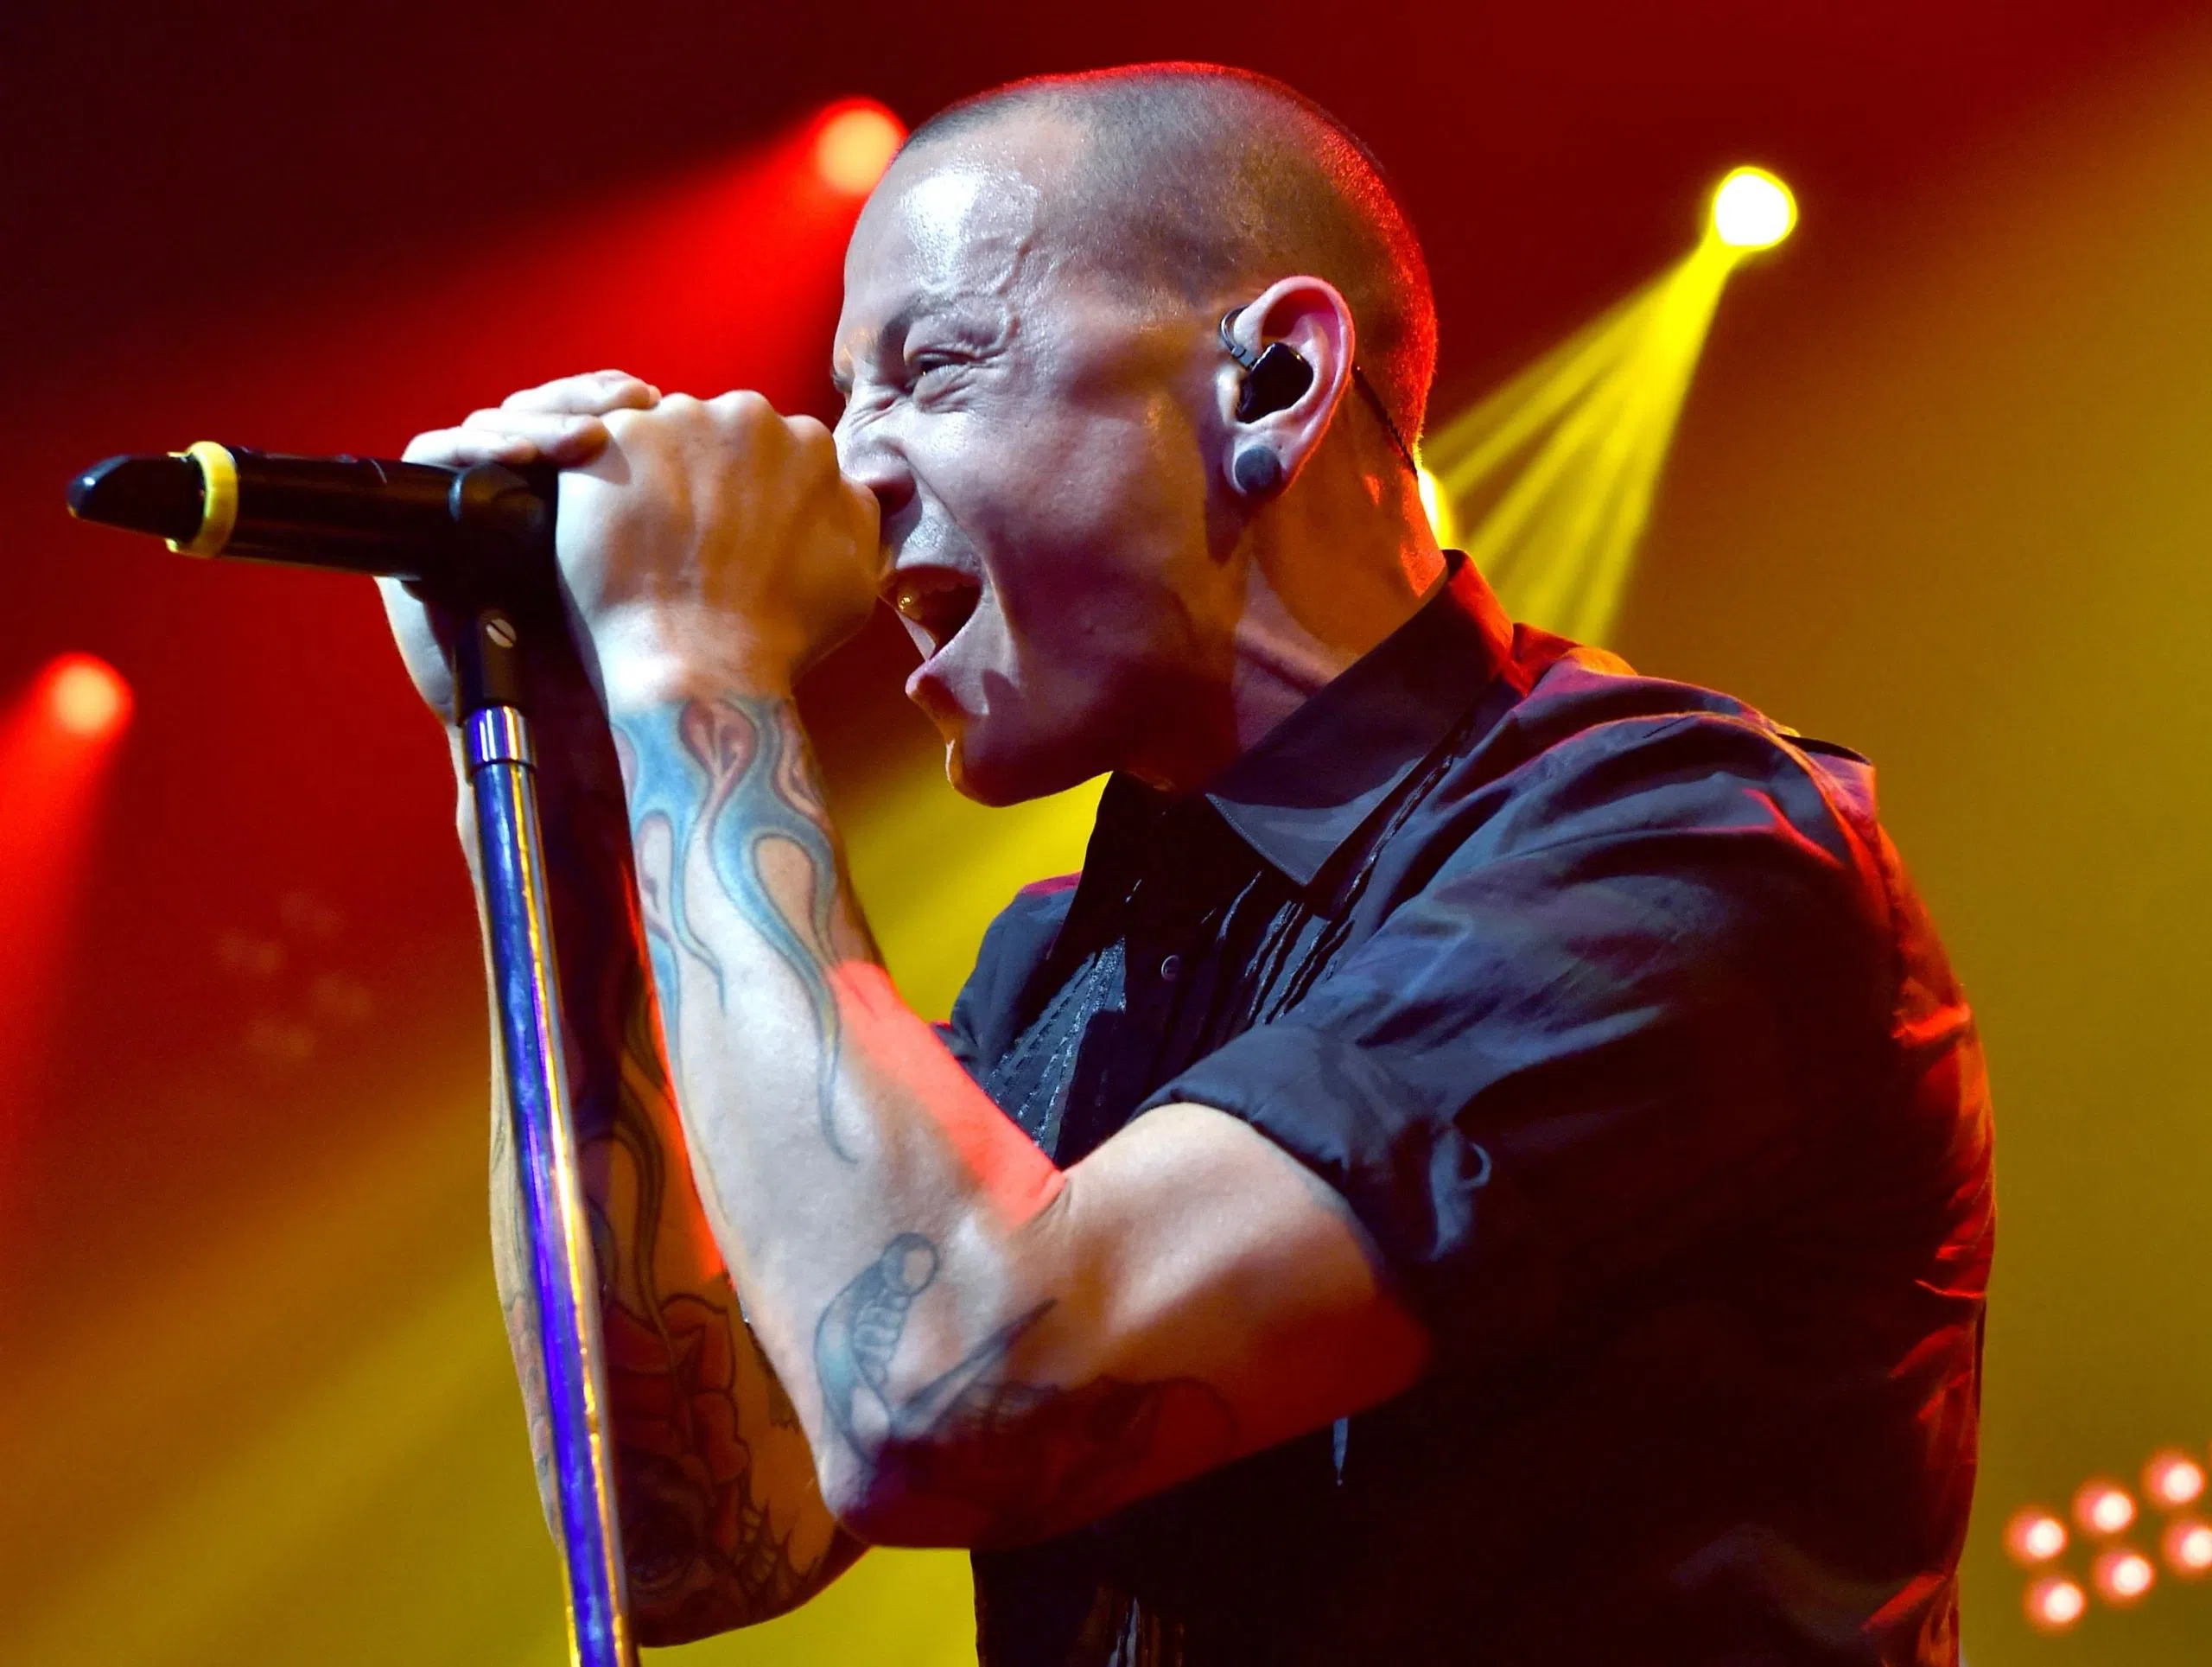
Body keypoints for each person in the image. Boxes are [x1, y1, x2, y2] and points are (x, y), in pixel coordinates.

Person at [382, 62, 1993, 1666]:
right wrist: (570, 794)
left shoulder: (1677, 851)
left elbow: (946, 1398)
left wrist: (692, 662)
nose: (854, 474)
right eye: (844, 398)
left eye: (931, 370)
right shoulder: (1060, 964)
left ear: (1274, 382)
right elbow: (693, 1535)